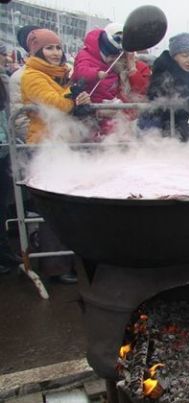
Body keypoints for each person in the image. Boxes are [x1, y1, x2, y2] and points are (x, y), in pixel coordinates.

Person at [21, 28, 91, 284]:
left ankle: (69, 261)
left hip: (64, 143)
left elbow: (68, 101)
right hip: (45, 145)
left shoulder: (62, 76)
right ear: (36, 51)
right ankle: (55, 266)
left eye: (58, 48)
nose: (55, 53)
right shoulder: (32, 76)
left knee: (70, 205)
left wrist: (76, 97)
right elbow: (54, 103)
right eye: (49, 48)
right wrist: (75, 98)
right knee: (52, 208)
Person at [72, 23, 150, 138]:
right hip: (98, 121)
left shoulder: (140, 66)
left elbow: (141, 91)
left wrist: (132, 68)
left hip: (125, 122)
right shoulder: (103, 64)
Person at [139, 33, 189, 141]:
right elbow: (159, 95)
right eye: (185, 55)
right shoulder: (162, 69)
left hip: (181, 127)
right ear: (174, 56)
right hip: (160, 127)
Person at [0, 52, 22, 275]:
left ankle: (3, 252)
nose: (4, 57)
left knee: (1, 208)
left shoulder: (3, 79)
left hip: (3, 149)